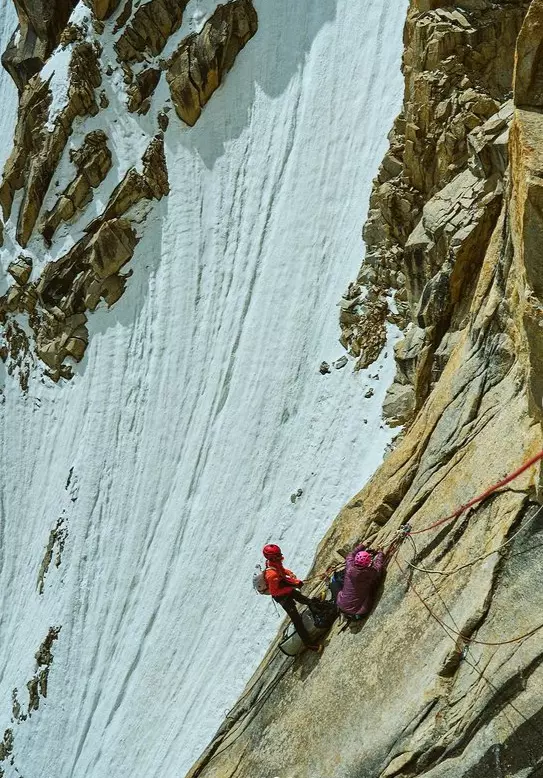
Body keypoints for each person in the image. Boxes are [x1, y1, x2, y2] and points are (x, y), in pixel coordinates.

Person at [263, 544, 323, 652]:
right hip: (282, 597)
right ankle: (309, 644)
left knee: (303, 599)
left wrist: (289, 573)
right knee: (297, 620)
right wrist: (291, 588)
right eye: (277, 555)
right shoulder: (271, 575)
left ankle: (318, 606)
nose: (280, 556)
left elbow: (281, 569)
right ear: (272, 557)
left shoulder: (272, 563)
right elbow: (274, 592)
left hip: (285, 587)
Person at [335, 544, 385, 619]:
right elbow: (378, 567)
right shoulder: (368, 573)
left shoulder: (349, 565)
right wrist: (380, 553)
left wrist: (363, 546)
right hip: (357, 611)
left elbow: (350, 555)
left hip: (341, 604)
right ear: (368, 563)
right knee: (372, 588)